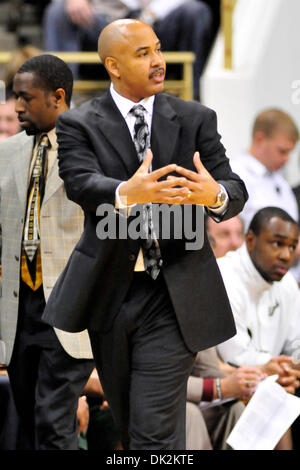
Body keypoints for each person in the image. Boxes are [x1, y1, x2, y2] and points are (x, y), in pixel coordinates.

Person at [42, 19, 248, 450]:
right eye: (144, 54)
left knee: (151, 430)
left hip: (175, 294)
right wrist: (123, 192)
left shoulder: (195, 117)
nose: (158, 61)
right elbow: (79, 182)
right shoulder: (79, 123)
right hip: (109, 292)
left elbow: (233, 189)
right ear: (113, 67)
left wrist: (214, 196)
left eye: (158, 49)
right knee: (135, 425)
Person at [0, 54, 94, 450]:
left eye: (26, 98)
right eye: (14, 97)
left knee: (54, 423)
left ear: (58, 97)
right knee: (30, 421)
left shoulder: (95, 147)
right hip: (20, 310)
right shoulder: (6, 152)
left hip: (69, 306)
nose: (17, 106)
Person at [43, 0, 214, 99]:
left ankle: (192, 98)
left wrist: (151, 14)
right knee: (59, 9)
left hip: (155, 20)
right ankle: (61, 98)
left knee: (196, 11)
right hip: (100, 20)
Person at [217, 207, 300, 394]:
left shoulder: (287, 283)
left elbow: (296, 343)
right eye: (277, 243)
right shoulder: (223, 276)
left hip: (277, 378)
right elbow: (234, 357)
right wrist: (279, 370)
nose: (286, 255)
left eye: (292, 247)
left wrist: (291, 365)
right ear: (251, 240)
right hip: (229, 387)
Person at [230, 109, 299, 231]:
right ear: (259, 139)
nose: (286, 159)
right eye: (282, 151)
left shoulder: (280, 180)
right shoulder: (234, 175)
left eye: (289, 153)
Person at [186, 347, 264, 450]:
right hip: (163, 401)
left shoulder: (194, 330)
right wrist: (220, 387)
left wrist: (243, 386)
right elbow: (159, 384)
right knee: (189, 413)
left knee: (235, 408)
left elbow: (208, 371)